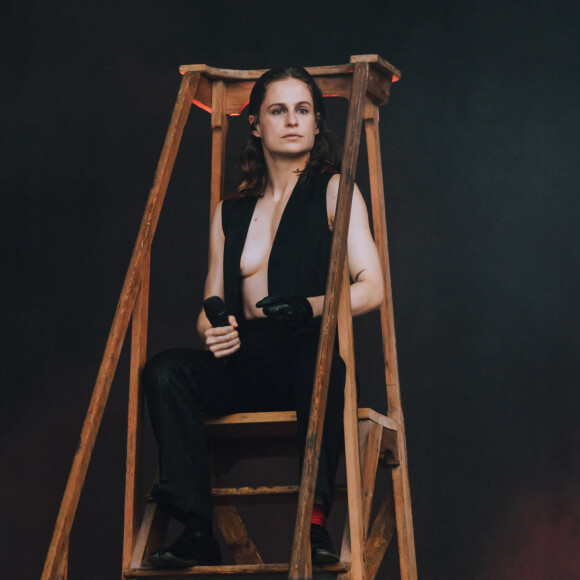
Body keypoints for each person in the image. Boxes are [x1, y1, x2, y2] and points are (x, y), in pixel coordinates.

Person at [143, 66, 384, 569]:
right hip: (245, 361)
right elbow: (210, 304)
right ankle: (196, 528)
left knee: (322, 367)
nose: (292, 121)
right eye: (278, 110)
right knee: (165, 371)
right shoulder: (229, 212)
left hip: (304, 352)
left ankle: (315, 524)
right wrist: (216, 331)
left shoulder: (334, 189)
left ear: (318, 123)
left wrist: (311, 307)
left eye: (304, 111)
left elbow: (372, 288)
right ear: (255, 124)